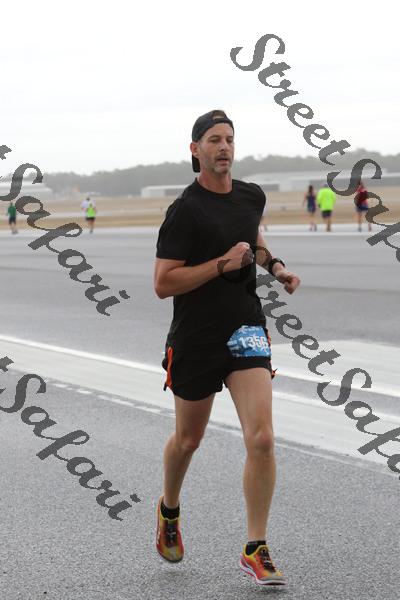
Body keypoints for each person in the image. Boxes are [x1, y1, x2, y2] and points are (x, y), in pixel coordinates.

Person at [154, 109, 300, 587]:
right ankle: (169, 508)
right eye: (214, 139)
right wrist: (220, 264)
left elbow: (252, 241)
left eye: (230, 139)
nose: (224, 147)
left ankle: (256, 547)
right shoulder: (185, 210)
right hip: (196, 337)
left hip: (245, 328)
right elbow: (163, 283)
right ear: (195, 149)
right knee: (188, 440)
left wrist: (276, 268)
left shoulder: (250, 195)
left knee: (262, 438)